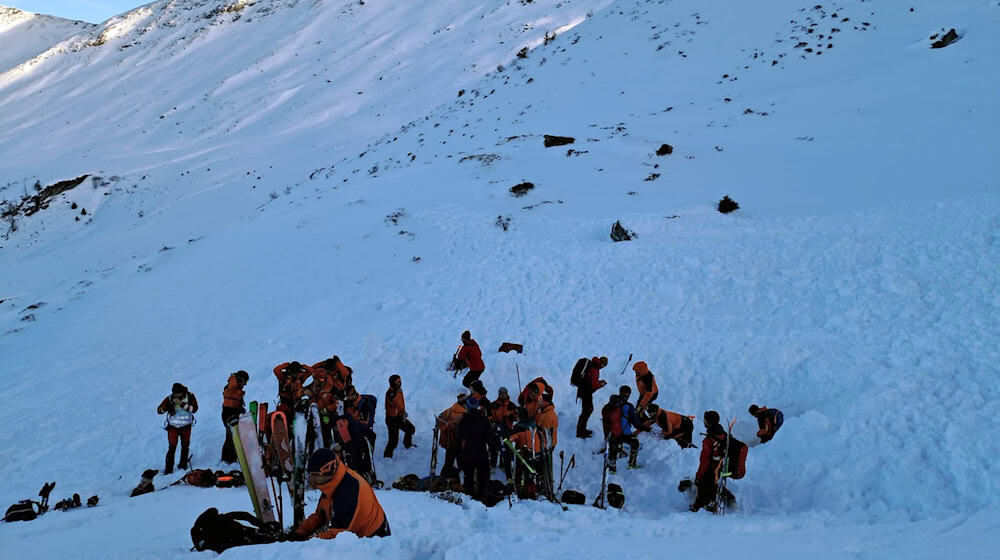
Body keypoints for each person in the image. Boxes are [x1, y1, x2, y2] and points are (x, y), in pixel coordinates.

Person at [291, 448, 389, 540]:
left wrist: (309, 542)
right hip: (356, 534)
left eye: (316, 476)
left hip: (375, 541)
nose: (311, 481)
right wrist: (299, 533)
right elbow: (321, 515)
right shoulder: (333, 483)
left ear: (329, 471)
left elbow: (338, 535)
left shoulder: (348, 489)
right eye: (311, 475)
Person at [690, 410, 735, 513]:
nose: (703, 421)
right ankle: (728, 499)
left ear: (708, 422)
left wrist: (699, 476)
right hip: (722, 466)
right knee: (712, 485)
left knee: (702, 485)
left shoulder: (709, 440)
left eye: (705, 420)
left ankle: (698, 507)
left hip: (712, 468)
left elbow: (704, 461)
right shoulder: (723, 433)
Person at [456, 397, 496, 502]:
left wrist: (459, 459)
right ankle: (482, 499)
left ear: (468, 407)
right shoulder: (484, 421)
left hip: (467, 455)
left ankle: (470, 500)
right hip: (482, 455)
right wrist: (494, 458)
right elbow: (491, 441)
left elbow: (458, 442)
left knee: (468, 479)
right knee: (483, 479)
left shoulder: (463, 422)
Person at [329, 402, 377, 483]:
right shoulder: (340, 421)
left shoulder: (354, 429)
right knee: (351, 454)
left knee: (361, 458)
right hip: (355, 437)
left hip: (364, 439)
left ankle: (366, 475)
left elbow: (350, 445)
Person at [156, 383, 199, 474]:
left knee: (185, 446)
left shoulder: (190, 396)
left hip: (186, 427)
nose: (175, 395)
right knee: (172, 448)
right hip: (173, 428)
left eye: (177, 393)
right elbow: (159, 410)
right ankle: (168, 469)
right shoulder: (170, 398)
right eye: (174, 393)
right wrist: (166, 408)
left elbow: (194, 409)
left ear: (182, 392)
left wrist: (182, 404)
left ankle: (183, 466)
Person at [436, 393, 469, 479]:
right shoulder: (463, 414)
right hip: (458, 443)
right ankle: (459, 482)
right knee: (460, 464)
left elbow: (439, 418)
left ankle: (443, 479)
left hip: (449, 442)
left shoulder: (451, 409)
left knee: (449, 463)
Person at [615, 386, 648, 470]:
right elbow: (636, 424)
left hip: (613, 432)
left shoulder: (613, 402)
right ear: (628, 395)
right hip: (623, 433)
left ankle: (612, 466)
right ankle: (632, 464)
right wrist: (645, 428)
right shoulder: (629, 407)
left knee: (613, 444)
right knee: (635, 443)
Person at [383, 375, 415, 458]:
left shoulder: (398, 390)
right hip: (392, 419)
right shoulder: (391, 394)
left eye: (400, 381)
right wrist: (401, 412)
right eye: (397, 382)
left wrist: (402, 412)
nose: (400, 383)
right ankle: (387, 456)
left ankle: (407, 444)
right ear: (393, 384)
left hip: (399, 417)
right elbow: (394, 402)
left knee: (410, 429)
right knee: (393, 442)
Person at [221, 371, 249, 464]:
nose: (245, 384)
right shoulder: (231, 386)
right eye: (244, 382)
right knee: (231, 436)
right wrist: (235, 377)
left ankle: (233, 456)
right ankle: (227, 458)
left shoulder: (235, 387)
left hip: (233, 412)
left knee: (234, 435)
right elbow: (233, 383)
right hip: (228, 413)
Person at [488, 387, 518, 476]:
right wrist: (494, 421)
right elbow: (490, 417)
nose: (503, 395)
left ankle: (503, 464)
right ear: (499, 394)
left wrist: (512, 417)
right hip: (496, 429)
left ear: (507, 394)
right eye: (501, 393)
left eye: (504, 393)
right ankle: (493, 464)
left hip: (507, 430)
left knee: (506, 448)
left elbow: (516, 417)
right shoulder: (493, 405)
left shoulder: (512, 405)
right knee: (494, 448)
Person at [577, 356, 608, 438]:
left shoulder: (592, 364)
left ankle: (581, 430)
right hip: (586, 392)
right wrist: (601, 384)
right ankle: (580, 432)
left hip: (583, 390)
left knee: (586, 410)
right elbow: (594, 385)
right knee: (587, 410)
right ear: (603, 364)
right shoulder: (595, 369)